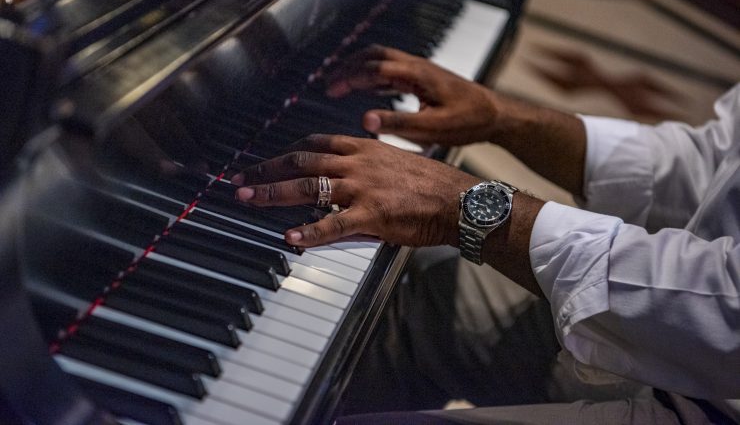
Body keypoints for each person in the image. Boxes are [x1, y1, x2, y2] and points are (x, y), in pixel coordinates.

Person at [230, 45, 740, 424]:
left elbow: (726, 312)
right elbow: (708, 165)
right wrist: (504, 118)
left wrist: (469, 208)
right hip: (679, 334)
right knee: (419, 286)